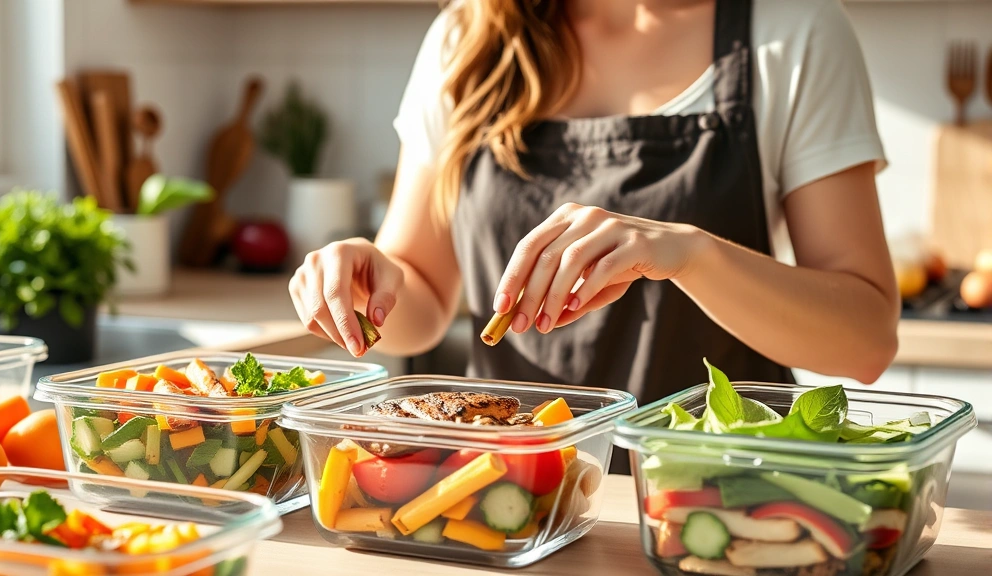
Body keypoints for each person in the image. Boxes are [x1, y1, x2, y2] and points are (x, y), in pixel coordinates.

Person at [288, 0, 899, 457]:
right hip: (509, 487)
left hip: (723, 492)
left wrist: (691, 255)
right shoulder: (466, 36)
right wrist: (368, 281)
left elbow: (866, 341)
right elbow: (418, 299)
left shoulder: (794, 30)